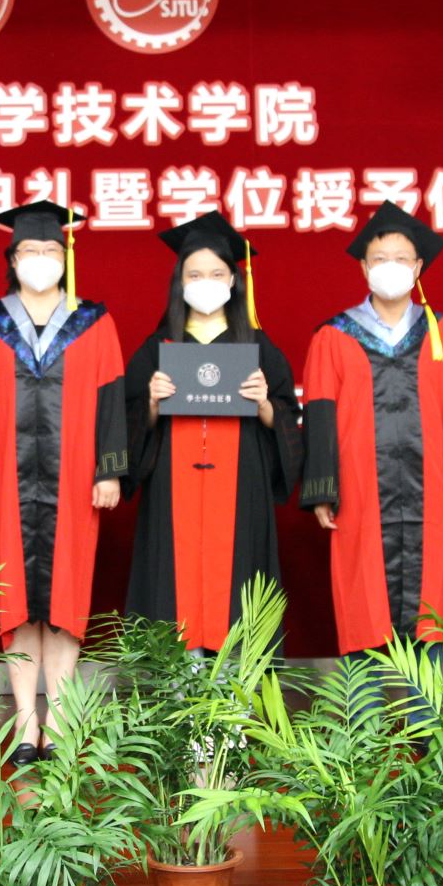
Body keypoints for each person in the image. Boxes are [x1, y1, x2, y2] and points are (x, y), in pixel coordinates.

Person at [0, 202, 127, 765]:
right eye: (30, 251)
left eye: (51, 250)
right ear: (13, 258)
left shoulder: (94, 322)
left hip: (75, 481)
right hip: (6, 481)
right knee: (17, 602)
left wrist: (109, 468)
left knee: (67, 600)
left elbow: (111, 399)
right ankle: (27, 722)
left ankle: (63, 721)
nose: (41, 259)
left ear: (66, 257)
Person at [301, 202, 443, 658]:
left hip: (428, 485)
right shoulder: (335, 335)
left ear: (418, 267)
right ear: (364, 267)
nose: (390, 267)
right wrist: (323, 488)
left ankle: (428, 704)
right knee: (362, 598)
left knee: (430, 605)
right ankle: (362, 706)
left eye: (401, 259)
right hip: (359, 489)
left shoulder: (442, 332)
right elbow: (320, 412)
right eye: (380, 259)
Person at [124, 211, 300, 652]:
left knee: (237, 584)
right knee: (175, 582)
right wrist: (150, 403)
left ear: (234, 281)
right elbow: (124, 421)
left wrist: (264, 405)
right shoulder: (159, 347)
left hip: (240, 489)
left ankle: (234, 692)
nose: (206, 283)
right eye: (195, 274)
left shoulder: (257, 346)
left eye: (217, 274)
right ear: (180, 282)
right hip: (173, 490)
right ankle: (177, 686)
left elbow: (288, 415)